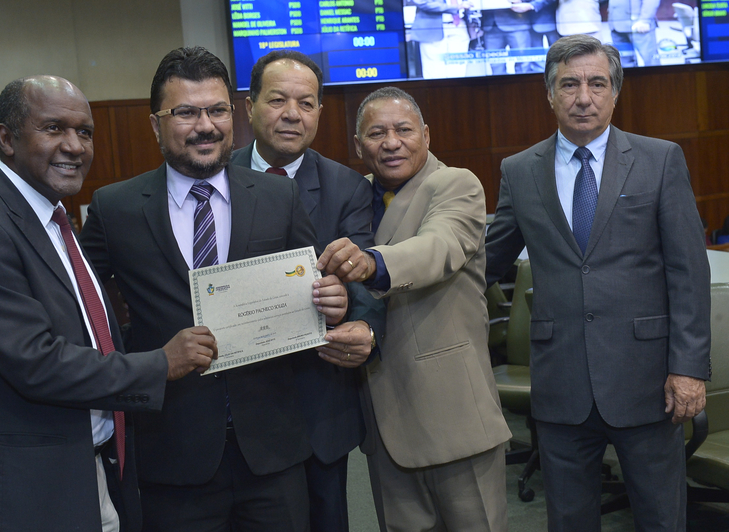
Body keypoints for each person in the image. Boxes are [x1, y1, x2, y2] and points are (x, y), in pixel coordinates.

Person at [79, 46, 348, 532]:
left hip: (272, 454)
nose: (206, 126)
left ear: (234, 114)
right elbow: (84, 315)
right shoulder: (114, 209)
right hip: (172, 456)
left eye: (217, 110)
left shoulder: (279, 197)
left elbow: (313, 294)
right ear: (156, 125)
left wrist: (333, 301)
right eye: (185, 112)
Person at [0, 75, 215, 532]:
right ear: (6, 138)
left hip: (87, 474)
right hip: (20, 496)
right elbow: (36, 363)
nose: (75, 146)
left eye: (84, 132)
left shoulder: (55, 220)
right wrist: (161, 363)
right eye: (53, 128)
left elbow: (88, 335)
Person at [485, 35, 710, 531]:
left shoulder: (660, 159)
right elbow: (485, 263)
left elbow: (689, 274)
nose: (583, 97)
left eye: (597, 84)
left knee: (661, 519)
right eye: (569, 84)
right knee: (568, 520)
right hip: (560, 382)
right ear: (549, 94)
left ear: (615, 92)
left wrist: (689, 369)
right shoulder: (519, 171)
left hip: (649, 382)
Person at [317, 86, 511, 532]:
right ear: (358, 145)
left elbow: (438, 247)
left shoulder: (455, 183)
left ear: (426, 134)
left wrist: (372, 263)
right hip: (385, 424)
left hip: (455, 419)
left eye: (403, 130)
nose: (391, 143)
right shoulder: (353, 198)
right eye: (376, 133)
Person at [231, 49, 385, 532]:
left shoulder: (347, 187)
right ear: (250, 106)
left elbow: (362, 279)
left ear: (319, 111)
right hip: (236, 404)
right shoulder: (215, 176)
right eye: (277, 100)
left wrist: (351, 307)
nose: (292, 114)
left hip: (317, 400)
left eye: (306, 103)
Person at [481, 6, 533, 75]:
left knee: (523, 62)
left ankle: (523, 82)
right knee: (495, 64)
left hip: (517, 24)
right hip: (490, 25)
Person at [609, 0, 661, 67]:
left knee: (651, 62)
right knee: (624, 64)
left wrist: (645, 20)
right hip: (616, 25)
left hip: (639, 26)